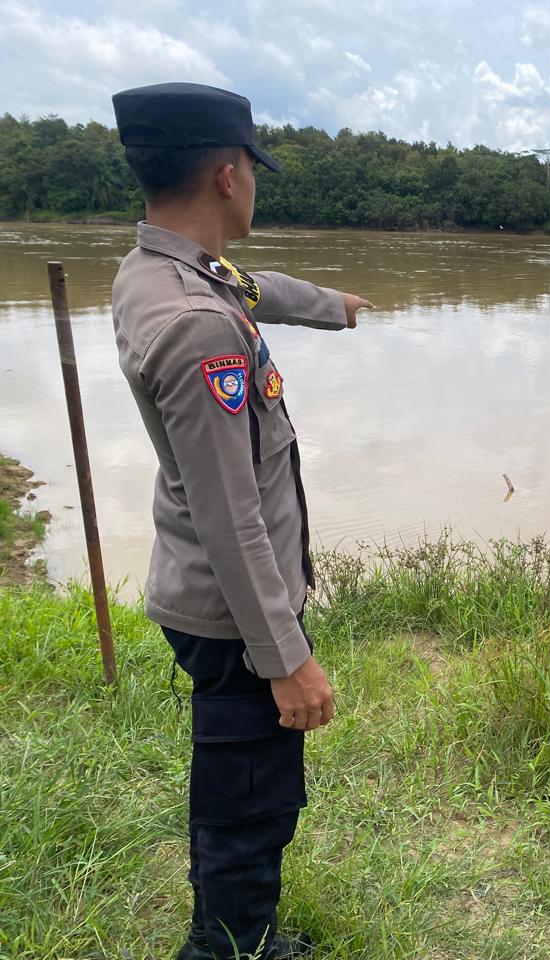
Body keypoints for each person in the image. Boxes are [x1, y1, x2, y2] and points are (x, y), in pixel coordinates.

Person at [110, 82, 371, 960]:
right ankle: (229, 947)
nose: (255, 184)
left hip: (202, 594)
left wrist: (331, 306)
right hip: (232, 616)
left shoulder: (160, 270)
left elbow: (252, 288)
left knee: (241, 780)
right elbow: (232, 520)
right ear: (228, 176)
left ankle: (238, 933)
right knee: (251, 798)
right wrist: (287, 658)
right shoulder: (198, 329)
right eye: (252, 169)